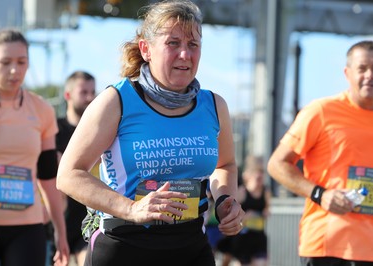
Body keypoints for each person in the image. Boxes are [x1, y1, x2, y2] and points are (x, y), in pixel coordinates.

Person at [56, 1, 245, 265]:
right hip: (125, 245)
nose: (184, 54)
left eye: (193, 45)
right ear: (146, 49)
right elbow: (68, 175)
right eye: (173, 43)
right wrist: (131, 209)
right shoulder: (117, 100)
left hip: (190, 247)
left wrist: (226, 200)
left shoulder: (214, 105)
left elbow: (225, 165)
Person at [267, 40, 373, 265]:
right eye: (362, 68)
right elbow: (277, 164)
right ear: (347, 73)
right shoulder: (321, 111)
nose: (370, 75)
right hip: (326, 244)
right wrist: (320, 194)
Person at [0, 29, 69, 266]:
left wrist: (60, 231)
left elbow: (48, 176)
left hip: (27, 226)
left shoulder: (41, 109)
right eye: (5, 62)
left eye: (21, 62)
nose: (14, 70)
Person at [45, 71, 96, 266]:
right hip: (57, 222)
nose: (90, 98)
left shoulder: (99, 132)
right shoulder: (53, 131)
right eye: (84, 92)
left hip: (88, 219)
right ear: (68, 95)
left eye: (92, 91)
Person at [217, 155, 270, 266]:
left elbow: (267, 209)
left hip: (258, 235)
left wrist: (265, 213)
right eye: (257, 178)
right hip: (242, 237)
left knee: (261, 263)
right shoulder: (242, 192)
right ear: (249, 176)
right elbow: (231, 210)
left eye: (262, 177)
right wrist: (244, 216)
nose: (260, 180)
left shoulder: (266, 192)